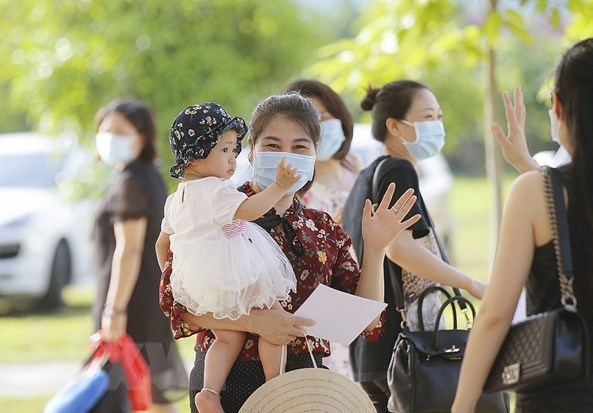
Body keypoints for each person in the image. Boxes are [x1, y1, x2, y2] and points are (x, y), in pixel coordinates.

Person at [159, 92, 421, 413]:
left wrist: (376, 249)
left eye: (299, 147)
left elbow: (366, 320)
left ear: (313, 156)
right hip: (225, 381)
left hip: (305, 386)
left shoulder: (322, 228)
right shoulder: (215, 211)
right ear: (251, 152)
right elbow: (179, 305)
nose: (286, 157)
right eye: (272, 145)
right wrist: (256, 323)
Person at [452, 38, 593, 412]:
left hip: (555, 398)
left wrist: (461, 407)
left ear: (558, 106)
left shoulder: (534, 192)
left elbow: (496, 315)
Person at [343, 80, 486, 412]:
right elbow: (400, 249)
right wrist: (471, 283)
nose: (437, 125)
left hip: (373, 351)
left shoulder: (367, 176)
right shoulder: (398, 168)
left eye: (438, 116)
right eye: (427, 116)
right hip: (409, 348)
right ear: (395, 126)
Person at [154, 102, 301, 413]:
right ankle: (276, 384)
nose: (233, 161)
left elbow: (161, 245)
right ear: (194, 154)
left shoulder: (174, 199)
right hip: (231, 273)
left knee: (227, 336)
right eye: (224, 150)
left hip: (199, 283)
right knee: (275, 319)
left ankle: (209, 391)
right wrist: (279, 187)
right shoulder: (215, 190)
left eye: (234, 151)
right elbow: (250, 210)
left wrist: (181, 279)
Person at [92, 98, 188, 413]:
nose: (110, 138)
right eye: (106, 130)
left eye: (120, 131)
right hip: (150, 297)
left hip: (132, 303)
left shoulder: (131, 183)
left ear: (141, 136)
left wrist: (114, 311)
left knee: (130, 392)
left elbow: (129, 249)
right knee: (148, 392)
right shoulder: (148, 177)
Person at [283, 79, 362, 378]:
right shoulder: (295, 187)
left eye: (326, 118)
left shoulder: (356, 169)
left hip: (362, 299)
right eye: (310, 120)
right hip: (321, 309)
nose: (320, 127)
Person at [284, 79, 362, 222]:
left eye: (323, 118)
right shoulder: (290, 187)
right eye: (307, 123)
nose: (317, 130)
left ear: (341, 119)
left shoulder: (355, 164)